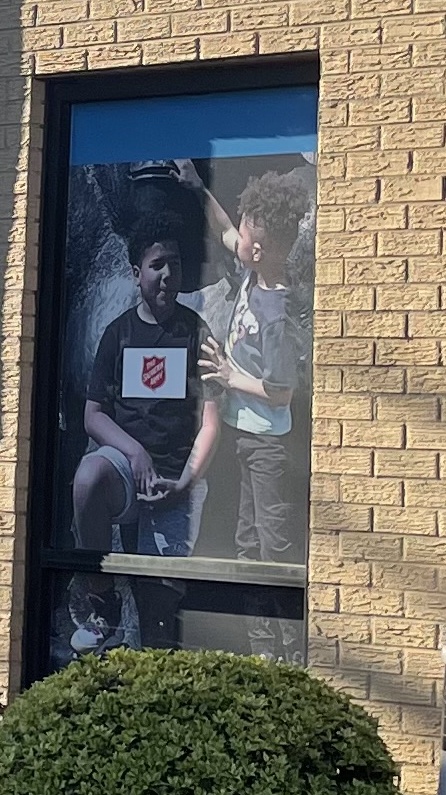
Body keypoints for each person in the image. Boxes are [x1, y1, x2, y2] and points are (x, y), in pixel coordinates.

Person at [73, 217, 216, 558]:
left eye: (175, 264)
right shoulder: (117, 334)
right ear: (137, 274)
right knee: (88, 476)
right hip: (125, 471)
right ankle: (99, 593)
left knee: (161, 599)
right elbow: (93, 416)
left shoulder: (196, 332)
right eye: (157, 265)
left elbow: (211, 422)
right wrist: (135, 453)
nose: (168, 274)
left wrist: (184, 484)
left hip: (179, 478)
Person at [200, 158, 312, 565]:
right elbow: (225, 228)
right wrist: (199, 188)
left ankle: (281, 628)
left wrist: (230, 376)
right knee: (246, 538)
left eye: (244, 236)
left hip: (266, 444)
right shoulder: (253, 273)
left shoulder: (276, 315)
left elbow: (281, 394)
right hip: (242, 433)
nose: (235, 239)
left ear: (258, 250)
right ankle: (258, 631)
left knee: (272, 541)